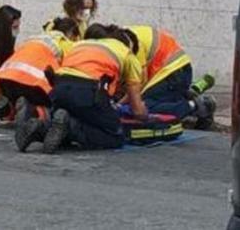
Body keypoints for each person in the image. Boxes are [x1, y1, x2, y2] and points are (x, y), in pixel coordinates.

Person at [20, 23, 148, 153]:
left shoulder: (81, 45)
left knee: (66, 127)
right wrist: (144, 114)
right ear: (130, 46)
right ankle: (70, 126)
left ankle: (41, 129)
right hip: (89, 92)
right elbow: (137, 110)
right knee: (115, 136)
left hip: (59, 90)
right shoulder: (128, 55)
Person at [0, 16, 78, 129]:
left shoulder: (33, 38)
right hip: (32, 86)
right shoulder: (64, 43)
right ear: (70, 33)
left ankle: (6, 109)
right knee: (56, 101)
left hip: (6, 82)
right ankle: (34, 110)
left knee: (23, 94)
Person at [125, 24, 215, 123]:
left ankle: (197, 105)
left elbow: (137, 85)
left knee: (143, 107)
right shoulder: (123, 37)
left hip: (173, 73)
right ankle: (188, 93)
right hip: (176, 71)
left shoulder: (129, 45)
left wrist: (118, 104)